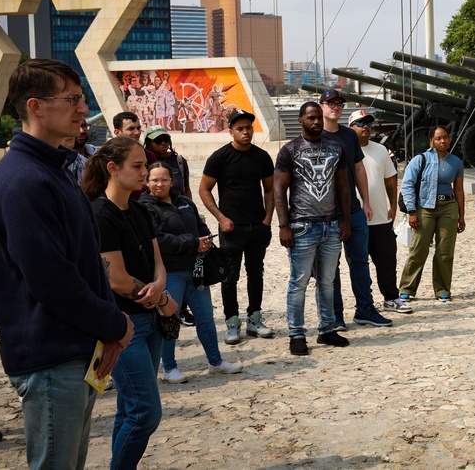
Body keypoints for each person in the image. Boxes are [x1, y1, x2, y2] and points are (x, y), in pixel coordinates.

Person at [0, 59, 133, 470]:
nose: (81, 108)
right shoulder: (23, 179)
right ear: (35, 106)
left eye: (82, 97)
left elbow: (85, 260)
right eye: (72, 99)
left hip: (76, 348)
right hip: (51, 355)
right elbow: (51, 279)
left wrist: (108, 327)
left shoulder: (53, 169)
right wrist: (116, 324)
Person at [84, 137, 180, 470]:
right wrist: (162, 298)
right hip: (123, 327)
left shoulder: (138, 207)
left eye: (146, 165)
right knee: (145, 412)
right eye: (137, 166)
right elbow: (117, 280)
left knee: (129, 407)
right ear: (112, 168)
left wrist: (160, 288)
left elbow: (157, 260)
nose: (146, 172)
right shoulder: (98, 213)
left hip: (150, 321)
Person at [141, 162, 242, 383]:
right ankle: (169, 368)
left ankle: (215, 362)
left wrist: (205, 240)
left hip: (196, 269)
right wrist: (192, 243)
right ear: (147, 181)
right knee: (170, 319)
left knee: (205, 317)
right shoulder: (144, 206)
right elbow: (158, 239)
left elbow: (200, 225)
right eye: (155, 180)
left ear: (172, 180)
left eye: (164, 179)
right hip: (169, 272)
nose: (160, 184)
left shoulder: (185, 201)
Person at [274, 102, 352, 355]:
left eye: (318, 117)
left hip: (331, 225)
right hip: (302, 227)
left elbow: (342, 186)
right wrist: (284, 225)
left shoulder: (336, 147)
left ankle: (327, 329)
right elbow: (278, 190)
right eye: (311, 118)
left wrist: (346, 220)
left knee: (328, 282)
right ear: (301, 121)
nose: (316, 122)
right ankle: (296, 334)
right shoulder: (290, 150)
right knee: (299, 282)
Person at [199, 108, 276, 344]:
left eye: (248, 128)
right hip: (231, 228)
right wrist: (220, 218)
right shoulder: (220, 157)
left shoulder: (262, 157)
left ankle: (255, 318)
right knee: (229, 276)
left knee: (256, 273)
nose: (245, 132)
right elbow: (204, 189)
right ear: (231, 131)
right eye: (240, 128)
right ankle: (232, 322)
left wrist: (267, 219)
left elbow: (270, 189)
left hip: (257, 226)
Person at [319, 90, 392, 329]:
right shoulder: (315, 135)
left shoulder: (349, 137)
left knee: (360, 262)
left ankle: (365, 309)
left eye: (340, 104)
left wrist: (366, 202)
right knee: (330, 267)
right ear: (321, 106)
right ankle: (335, 315)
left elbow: (359, 169)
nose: (336, 107)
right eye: (331, 103)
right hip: (326, 213)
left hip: (352, 210)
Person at [348, 109, 410, 314]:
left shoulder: (381, 150)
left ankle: (391, 298)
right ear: (351, 127)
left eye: (368, 122)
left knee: (387, 261)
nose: (365, 126)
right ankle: (365, 303)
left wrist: (392, 206)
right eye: (360, 123)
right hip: (356, 219)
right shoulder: (345, 150)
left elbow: (390, 179)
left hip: (381, 219)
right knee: (359, 266)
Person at [398, 125, 466, 303]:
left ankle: (442, 289)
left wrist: (462, 216)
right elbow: (407, 185)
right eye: (438, 138)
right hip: (424, 208)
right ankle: (407, 288)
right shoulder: (420, 160)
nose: (442, 141)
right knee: (418, 250)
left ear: (450, 139)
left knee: (445, 251)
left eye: (445, 137)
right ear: (431, 141)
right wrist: (412, 211)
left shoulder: (456, 162)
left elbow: (459, 191)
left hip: (448, 207)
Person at [144, 126, 192, 200]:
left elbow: (186, 189)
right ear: (149, 143)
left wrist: (189, 208)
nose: (163, 143)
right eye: (158, 140)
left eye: (166, 139)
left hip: (178, 207)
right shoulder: (145, 162)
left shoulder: (179, 161)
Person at [67, 118, 97, 185]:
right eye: (76, 126)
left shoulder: (97, 154)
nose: (82, 131)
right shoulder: (63, 161)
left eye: (84, 126)